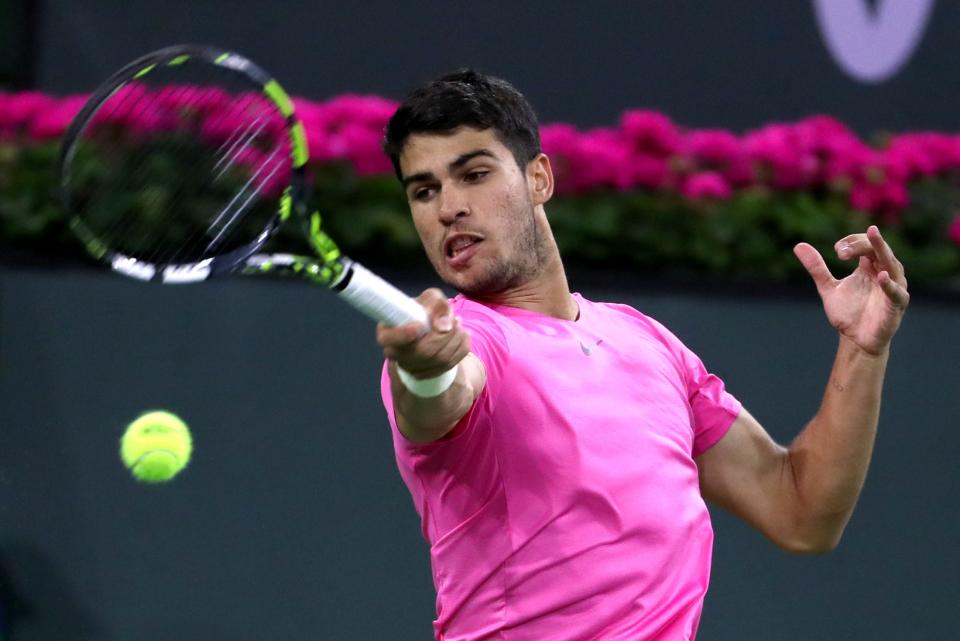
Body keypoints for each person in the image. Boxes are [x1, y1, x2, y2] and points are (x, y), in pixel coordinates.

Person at [375, 70, 909, 641]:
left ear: (538, 178)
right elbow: (441, 395)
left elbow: (801, 512)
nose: (448, 207)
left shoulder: (644, 340)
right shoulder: (470, 341)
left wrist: (861, 348)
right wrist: (425, 369)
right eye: (424, 191)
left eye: (474, 174)